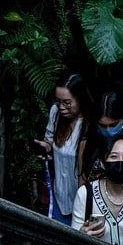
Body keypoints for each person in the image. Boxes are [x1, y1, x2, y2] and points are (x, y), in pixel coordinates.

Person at [35, 73, 95, 225]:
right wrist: (46, 147)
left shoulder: (91, 124)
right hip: (58, 195)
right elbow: (49, 139)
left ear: (80, 99)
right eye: (58, 101)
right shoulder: (55, 113)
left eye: (67, 102)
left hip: (83, 198)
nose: (61, 107)